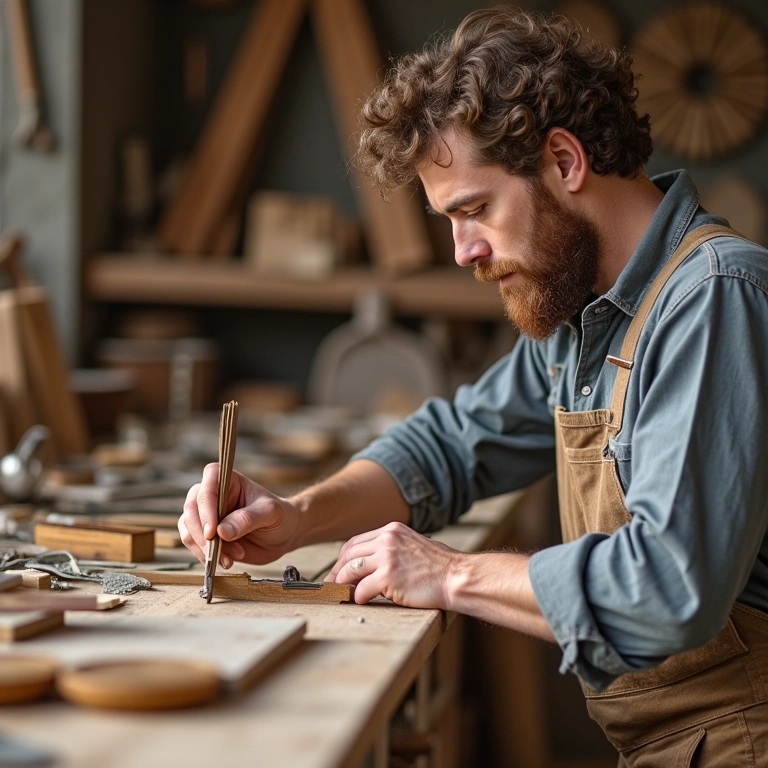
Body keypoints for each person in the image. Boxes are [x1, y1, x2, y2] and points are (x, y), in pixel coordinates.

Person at [180, 6, 768, 764]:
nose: (463, 252)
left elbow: (668, 589)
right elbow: (453, 444)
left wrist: (450, 573)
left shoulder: (716, 299)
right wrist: (297, 516)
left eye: (475, 210)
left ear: (563, 161)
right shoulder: (584, 312)